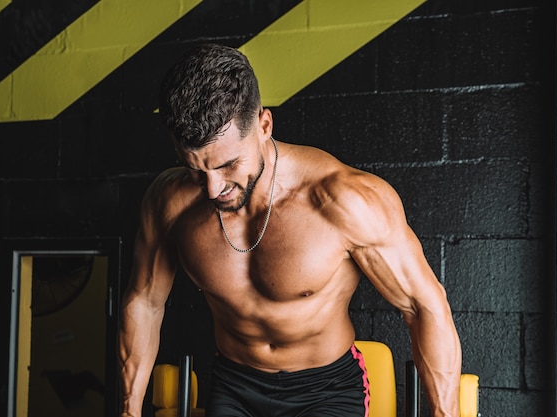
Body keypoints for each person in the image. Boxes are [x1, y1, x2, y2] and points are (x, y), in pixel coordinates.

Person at [118, 43, 461, 417]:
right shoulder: (171, 202)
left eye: (229, 164)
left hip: (325, 391)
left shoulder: (343, 200)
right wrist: (128, 411)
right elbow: (145, 303)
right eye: (196, 169)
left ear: (264, 126)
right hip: (234, 384)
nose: (214, 188)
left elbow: (423, 306)